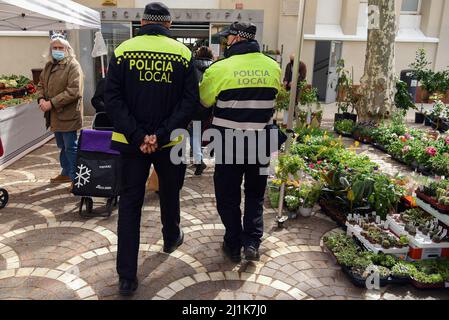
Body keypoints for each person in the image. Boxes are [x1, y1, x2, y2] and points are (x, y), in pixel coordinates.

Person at [104, 2, 198, 296]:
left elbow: (112, 98)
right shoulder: (183, 54)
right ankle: (171, 237)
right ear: (168, 25)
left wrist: (137, 135)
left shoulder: (122, 51)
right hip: (169, 143)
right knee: (169, 194)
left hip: (130, 144)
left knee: (130, 204)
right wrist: (160, 135)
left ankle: (127, 277)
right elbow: (189, 103)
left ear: (141, 22)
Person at [199, 22, 281, 263]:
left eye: (227, 39)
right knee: (255, 194)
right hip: (261, 142)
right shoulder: (273, 67)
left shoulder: (220, 68)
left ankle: (233, 243)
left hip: (228, 144)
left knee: (228, 196)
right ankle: (252, 243)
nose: (225, 43)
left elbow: (204, 101)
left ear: (236, 39)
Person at [37, 34, 83, 189]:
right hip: (55, 115)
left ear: (67, 49)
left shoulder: (73, 65)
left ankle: (77, 178)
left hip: (68, 114)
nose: (57, 50)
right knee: (62, 145)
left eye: (60, 48)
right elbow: (40, 84)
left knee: (71, 146)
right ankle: (66, 172)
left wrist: (51, 103)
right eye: (54, 48)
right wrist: (41, 99)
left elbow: (74, 91)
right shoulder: (49, 65)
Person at [189, 46, 213, 175]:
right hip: (209, 106)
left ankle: (199, 160)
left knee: (194, 134)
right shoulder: (215, 67)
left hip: (195, 106)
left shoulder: (192, 66)